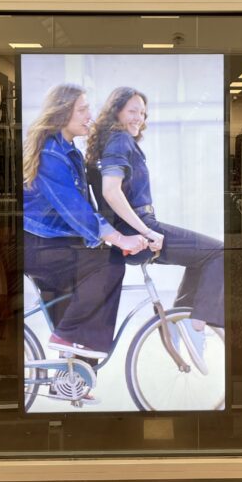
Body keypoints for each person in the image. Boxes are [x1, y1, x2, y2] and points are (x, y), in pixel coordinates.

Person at [86, 86, 224, 372]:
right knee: (220, 252)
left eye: (143, 113)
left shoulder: (110, 141)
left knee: (202, 258)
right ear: (116, 111)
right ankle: (196, 325)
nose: (139, 117)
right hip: (141, 229)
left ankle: (179, 323)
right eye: (133, 111)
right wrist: (147, 232)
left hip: (134, 228)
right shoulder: (120, 139)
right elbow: (111, 191)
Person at [23, 83, 147, 363]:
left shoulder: (70, 151)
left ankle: (74, 370)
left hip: (55, 244)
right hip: (38, 248)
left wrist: (118, 232)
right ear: (62, 112)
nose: (89, 115)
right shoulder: (51, 154)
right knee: (108, 263)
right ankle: (68, 337)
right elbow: (76, 210)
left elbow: (91, 203)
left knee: (84, 342)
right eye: (82, 110)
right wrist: (119, 239)